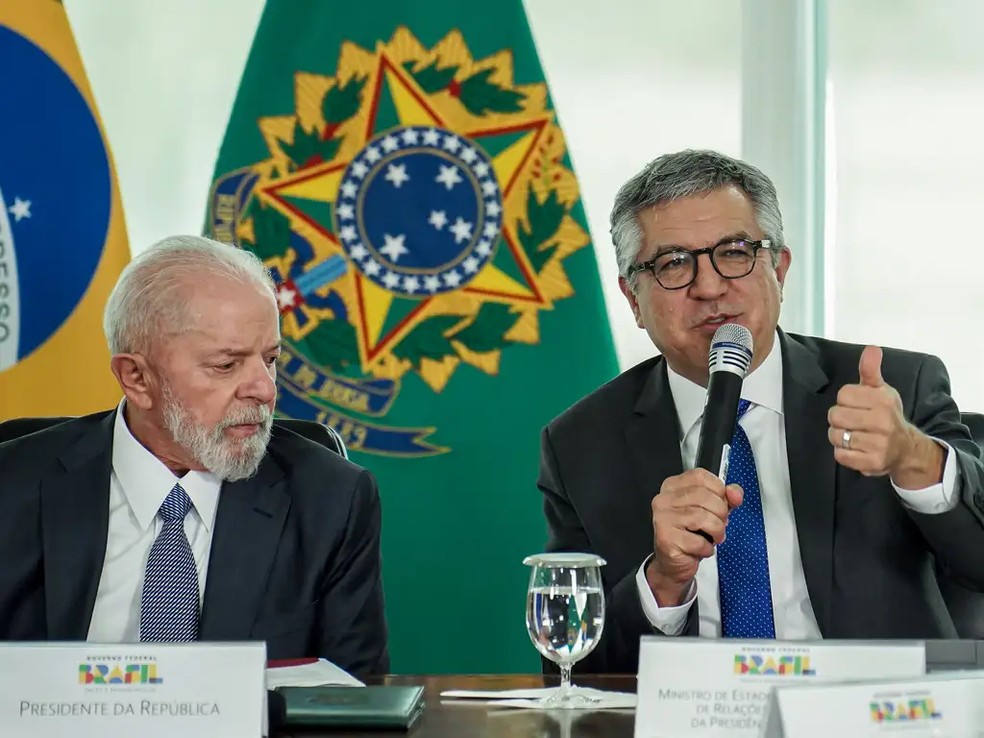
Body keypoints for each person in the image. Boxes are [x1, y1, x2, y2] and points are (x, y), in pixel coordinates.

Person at [537, 150, 984, 674]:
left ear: (780, 267)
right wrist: (663, 579)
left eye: (734, 251)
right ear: (633, 299)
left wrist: (914, 457)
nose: (709, 287)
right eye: (673, 264)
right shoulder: (582, 443)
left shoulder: (895, 389)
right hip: (692, 721)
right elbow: (573, 669)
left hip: (873, 712)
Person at [0, 235, 388, 679]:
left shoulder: (330, 500)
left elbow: (357, 702)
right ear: (137, 378)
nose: (264, 390)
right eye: (227, 365)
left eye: (270, 358)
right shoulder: (12, 486)